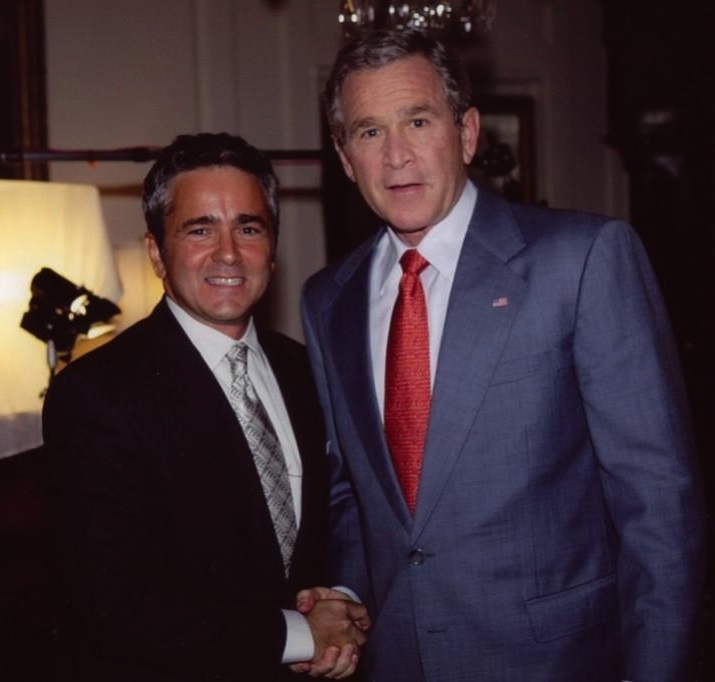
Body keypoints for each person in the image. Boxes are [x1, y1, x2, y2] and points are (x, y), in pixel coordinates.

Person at [300, 29, 707, 681]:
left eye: (417, 120)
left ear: (465, 133)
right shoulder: (326, 300)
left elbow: (657, 502)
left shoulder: (582, 258)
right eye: (369, 132)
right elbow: (352, 497)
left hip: (556, 662)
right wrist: (346, 599)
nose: (396, 155)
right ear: (345, 158)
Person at [43, 132, 369, 681]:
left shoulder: (308, 370)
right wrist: (298, 634)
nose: (228, 253)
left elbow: (338, 516)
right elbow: (116, 603)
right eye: (200, 230)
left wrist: (340, 599)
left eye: (248, 227)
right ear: (156, 253)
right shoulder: (96, 395)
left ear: (272, 246)